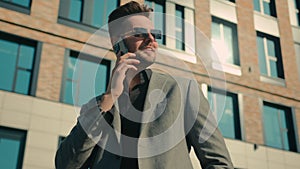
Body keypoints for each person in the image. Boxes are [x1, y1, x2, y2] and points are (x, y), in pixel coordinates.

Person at [55, 1, 234, 169]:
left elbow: (219, 162)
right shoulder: (97, 106)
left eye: (154, 34)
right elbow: (65, 164)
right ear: (117, 42)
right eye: (140, 34)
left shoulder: (183, 91)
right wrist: (109, 98)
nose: (151, 40)